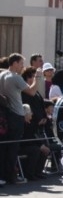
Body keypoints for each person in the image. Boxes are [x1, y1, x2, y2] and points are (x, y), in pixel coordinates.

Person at [0, 53, 40, 184]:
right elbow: (32, 92)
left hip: (5, 114)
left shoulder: (2, 75)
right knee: (13, 147)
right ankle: (11, 176)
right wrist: (37, 78)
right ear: (15, 63)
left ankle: (4, 176)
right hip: (16, 115)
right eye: (21, 63)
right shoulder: (15, 77)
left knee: (4, 147)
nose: (23, 67)